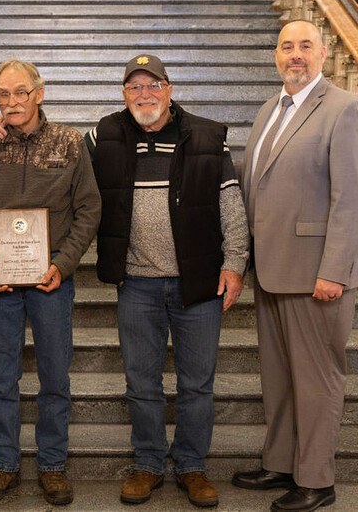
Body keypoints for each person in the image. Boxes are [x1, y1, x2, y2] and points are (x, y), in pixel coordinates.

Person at [87, 54, 248, 508]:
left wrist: (235, 263)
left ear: (169, 89)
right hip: (136, 284)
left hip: (198, 284)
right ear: (124, 95)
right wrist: (3, 127)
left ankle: (192, 466)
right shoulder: (103, 136)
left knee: (197, 384)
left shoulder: (207, 137)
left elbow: (231, 206)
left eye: (153, 84)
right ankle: (149, 464)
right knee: (142, 382)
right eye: (135, 87)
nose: (145, 94)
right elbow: (62, 171)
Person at [232, 20, 358, 512]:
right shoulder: (270, 108)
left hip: (316, 273)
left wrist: (333, 270)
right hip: (272, 268)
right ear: (276, 54)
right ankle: (281, 462)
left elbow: (352, 198)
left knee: (316, 380)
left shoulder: (344, 109)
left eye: (305, 46)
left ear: (323, 53)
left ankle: (316, 479)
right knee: (278, 377)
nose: (296, 54)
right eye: (287, 46)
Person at [0, 59, 101, 506]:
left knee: (54, 376)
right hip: (1, 282)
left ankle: (52, 465)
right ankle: (3, 463)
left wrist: (64, 263)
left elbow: (89, 209)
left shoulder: (69, 142)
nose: (12, 101)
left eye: (21, 92)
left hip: (51, 282)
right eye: (3, 94)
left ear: (39, 93)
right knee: (1, 378)